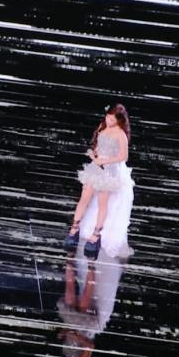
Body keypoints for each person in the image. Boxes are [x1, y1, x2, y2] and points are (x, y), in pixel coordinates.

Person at [64, 103, 134, 259]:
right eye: (108, 117)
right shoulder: (103, 126)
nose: (109, 121)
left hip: (108, 170)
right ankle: (74, 229)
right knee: (84, 197)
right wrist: (94, 154)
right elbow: (99, 145)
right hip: (96, 167)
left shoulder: (120, 134)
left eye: (112, 119)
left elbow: (124, 156)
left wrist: (105, 160)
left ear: (119, 120)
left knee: (103, 202)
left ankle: (96, 235)